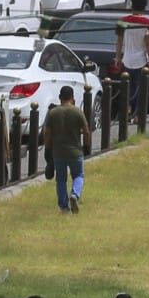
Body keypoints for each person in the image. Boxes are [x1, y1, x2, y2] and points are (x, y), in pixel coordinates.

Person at [44, 85, 89, 213]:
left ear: (60, 97)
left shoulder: (53, 113)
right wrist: (86, 146)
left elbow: (47, 133)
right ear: (73, 98)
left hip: (58, 152)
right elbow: (86, 132)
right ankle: (74, 194)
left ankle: (64, 207)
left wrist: (48, 148)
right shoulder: (78, 112)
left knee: (61, 179)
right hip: (75, 151)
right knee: (78, 175)